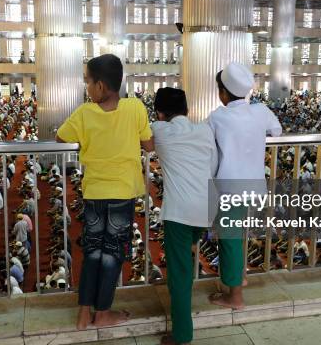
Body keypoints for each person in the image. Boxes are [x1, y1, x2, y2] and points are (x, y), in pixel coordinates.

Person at [56, 54, 153, 330]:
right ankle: (103, 313)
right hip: (122, 192)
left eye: (88, 82)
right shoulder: (135, 108)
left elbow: (61, 138)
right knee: (112, 255)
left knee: (93, 253)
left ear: (100, 86)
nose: (86, 88)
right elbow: (148, 144)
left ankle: (84, 314)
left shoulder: (84, 113)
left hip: (95, 193)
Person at [208, 62, 282, 310]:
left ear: (223, 93)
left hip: (230, 190)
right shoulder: (260, 111)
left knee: (229, 241)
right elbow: (277, 130)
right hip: (254, 187)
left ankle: (235, 297)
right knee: (237, 237)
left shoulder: (218, 117)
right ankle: (239, 277)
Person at [150, 88, 217, 345]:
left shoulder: (160, 129)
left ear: (160, 112)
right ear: (187, 110)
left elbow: (145, 143)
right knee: (185, 261)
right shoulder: (204, 130)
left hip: (180, 211)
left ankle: (182, 335)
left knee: (178, 272)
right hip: (207, 207)